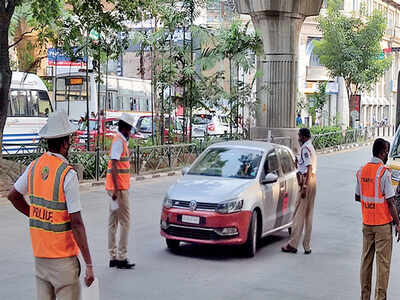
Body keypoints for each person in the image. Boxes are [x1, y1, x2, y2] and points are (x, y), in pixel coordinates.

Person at [7, 111, 94, 300]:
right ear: (64, 143)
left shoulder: (34, 166)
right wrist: (89, 264)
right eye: (69, 139)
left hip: (40, 260)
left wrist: (34, 214)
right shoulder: (67, 174)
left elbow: (13, 196)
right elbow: (77, 223)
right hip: (63, 263)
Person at [355, 138, 400, 300]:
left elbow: (357, 196)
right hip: (382, 226)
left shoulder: (361, 171)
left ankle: (364, 297)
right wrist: (398, 224)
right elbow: (391, 201)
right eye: (387, 151)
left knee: (366, 262)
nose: (388, 155)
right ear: (383, 152)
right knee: (383, 265)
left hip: (367, 223)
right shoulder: (384, 172)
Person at [106, 113, 136, 269]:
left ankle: (112, 256)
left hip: (114, 189)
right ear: (124, 128)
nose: (130, 132)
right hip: (120, 190)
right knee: (125, 222)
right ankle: (121, 257)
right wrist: (117, 190)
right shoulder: (119, 142)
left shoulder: (120, 140)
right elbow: (115, 166)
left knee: (113, 222)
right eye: (129, 129)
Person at [282, 127, 317, 255]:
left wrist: (304, 187)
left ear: (303, 137)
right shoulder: (310, 147)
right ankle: (306, 245)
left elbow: (308, 167)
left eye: (299, 136)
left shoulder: (305, 149)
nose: (298, 138)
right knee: (308, 214)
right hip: (312, 180)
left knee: (298, 214)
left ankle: (293, 244)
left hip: (306, 182)